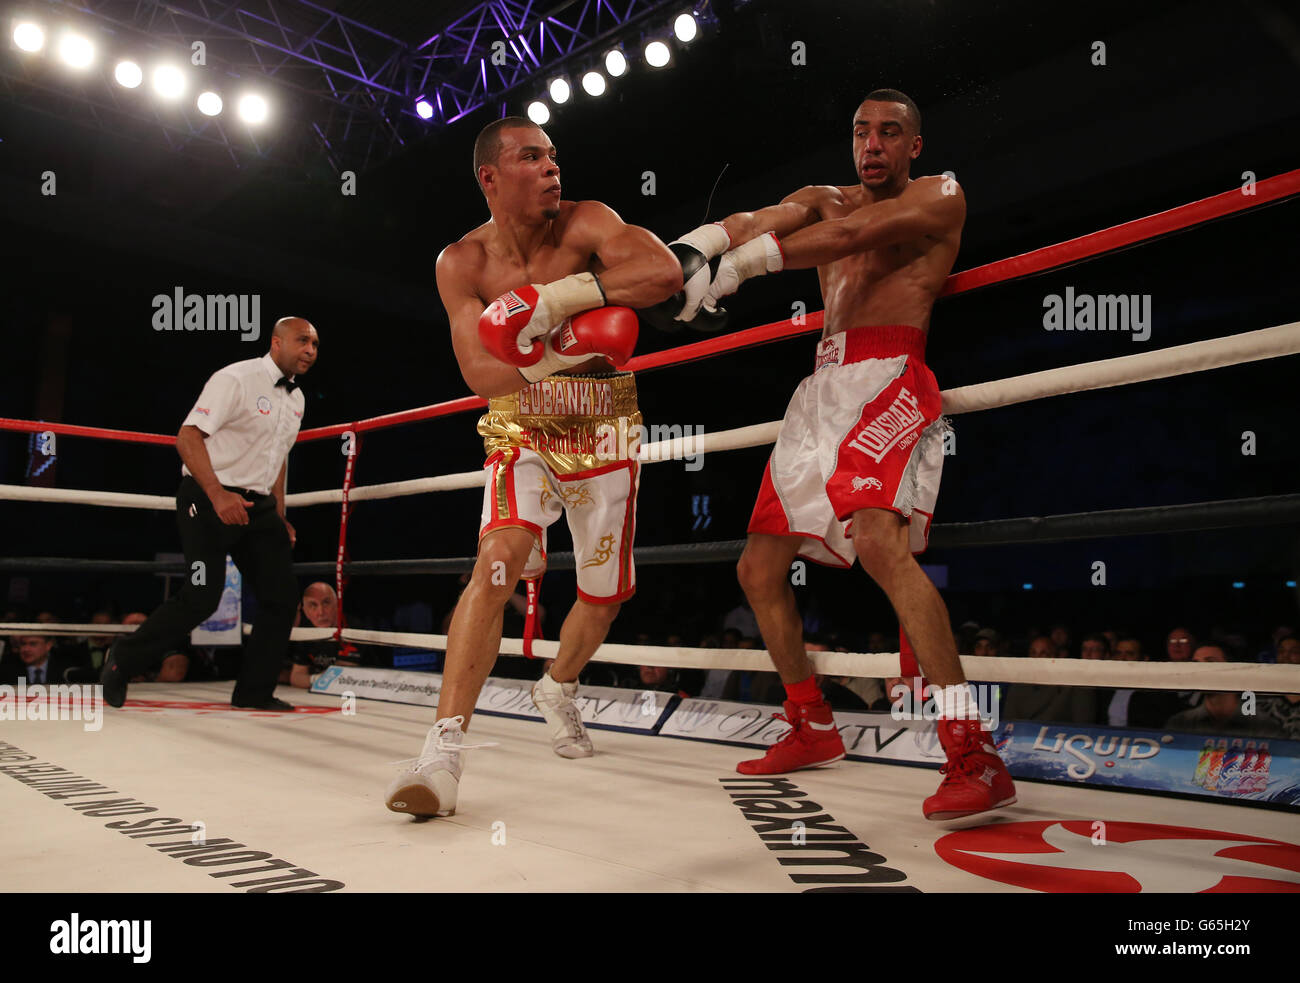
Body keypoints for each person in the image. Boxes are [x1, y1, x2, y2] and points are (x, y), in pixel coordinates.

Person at [670, 89, 1014, 820]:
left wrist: (735, 272)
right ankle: (813, 723)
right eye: (862, 132)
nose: (874, 145)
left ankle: (973, 752)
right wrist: (698, 248)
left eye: (891, 133)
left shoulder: (939, 193)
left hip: (890, 374)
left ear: (913, 145)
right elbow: (761, 218)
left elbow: (855, 237)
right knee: (756, 567)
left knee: (881, 547)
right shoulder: (825, 197)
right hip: (820, 387)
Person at [384, 116, 681, 817]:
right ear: (490, 177)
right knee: (495, 561)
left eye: (553, 156)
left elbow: (662, 271)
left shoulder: (588, 223)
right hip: (521, 425)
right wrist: (552, 350)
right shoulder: (461, 261)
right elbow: (479, 368)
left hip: (603, 420)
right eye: (532, 157)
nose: (553, 168)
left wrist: (552, 305)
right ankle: (442, 751)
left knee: (604, 593)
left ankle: (559, 685)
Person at [101, 317, 318, 710]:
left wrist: (280, 515)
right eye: (303, 341)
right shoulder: (236, 379)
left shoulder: (296, 399)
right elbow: (188, 436)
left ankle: (253, 691)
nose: (310, 350)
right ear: (276, 342)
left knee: (282, 597)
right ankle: (123, 659)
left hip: (258, 506)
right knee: (202, 596)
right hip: (207, 496)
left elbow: (277, 459)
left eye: (315, 345)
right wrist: (217, 494)